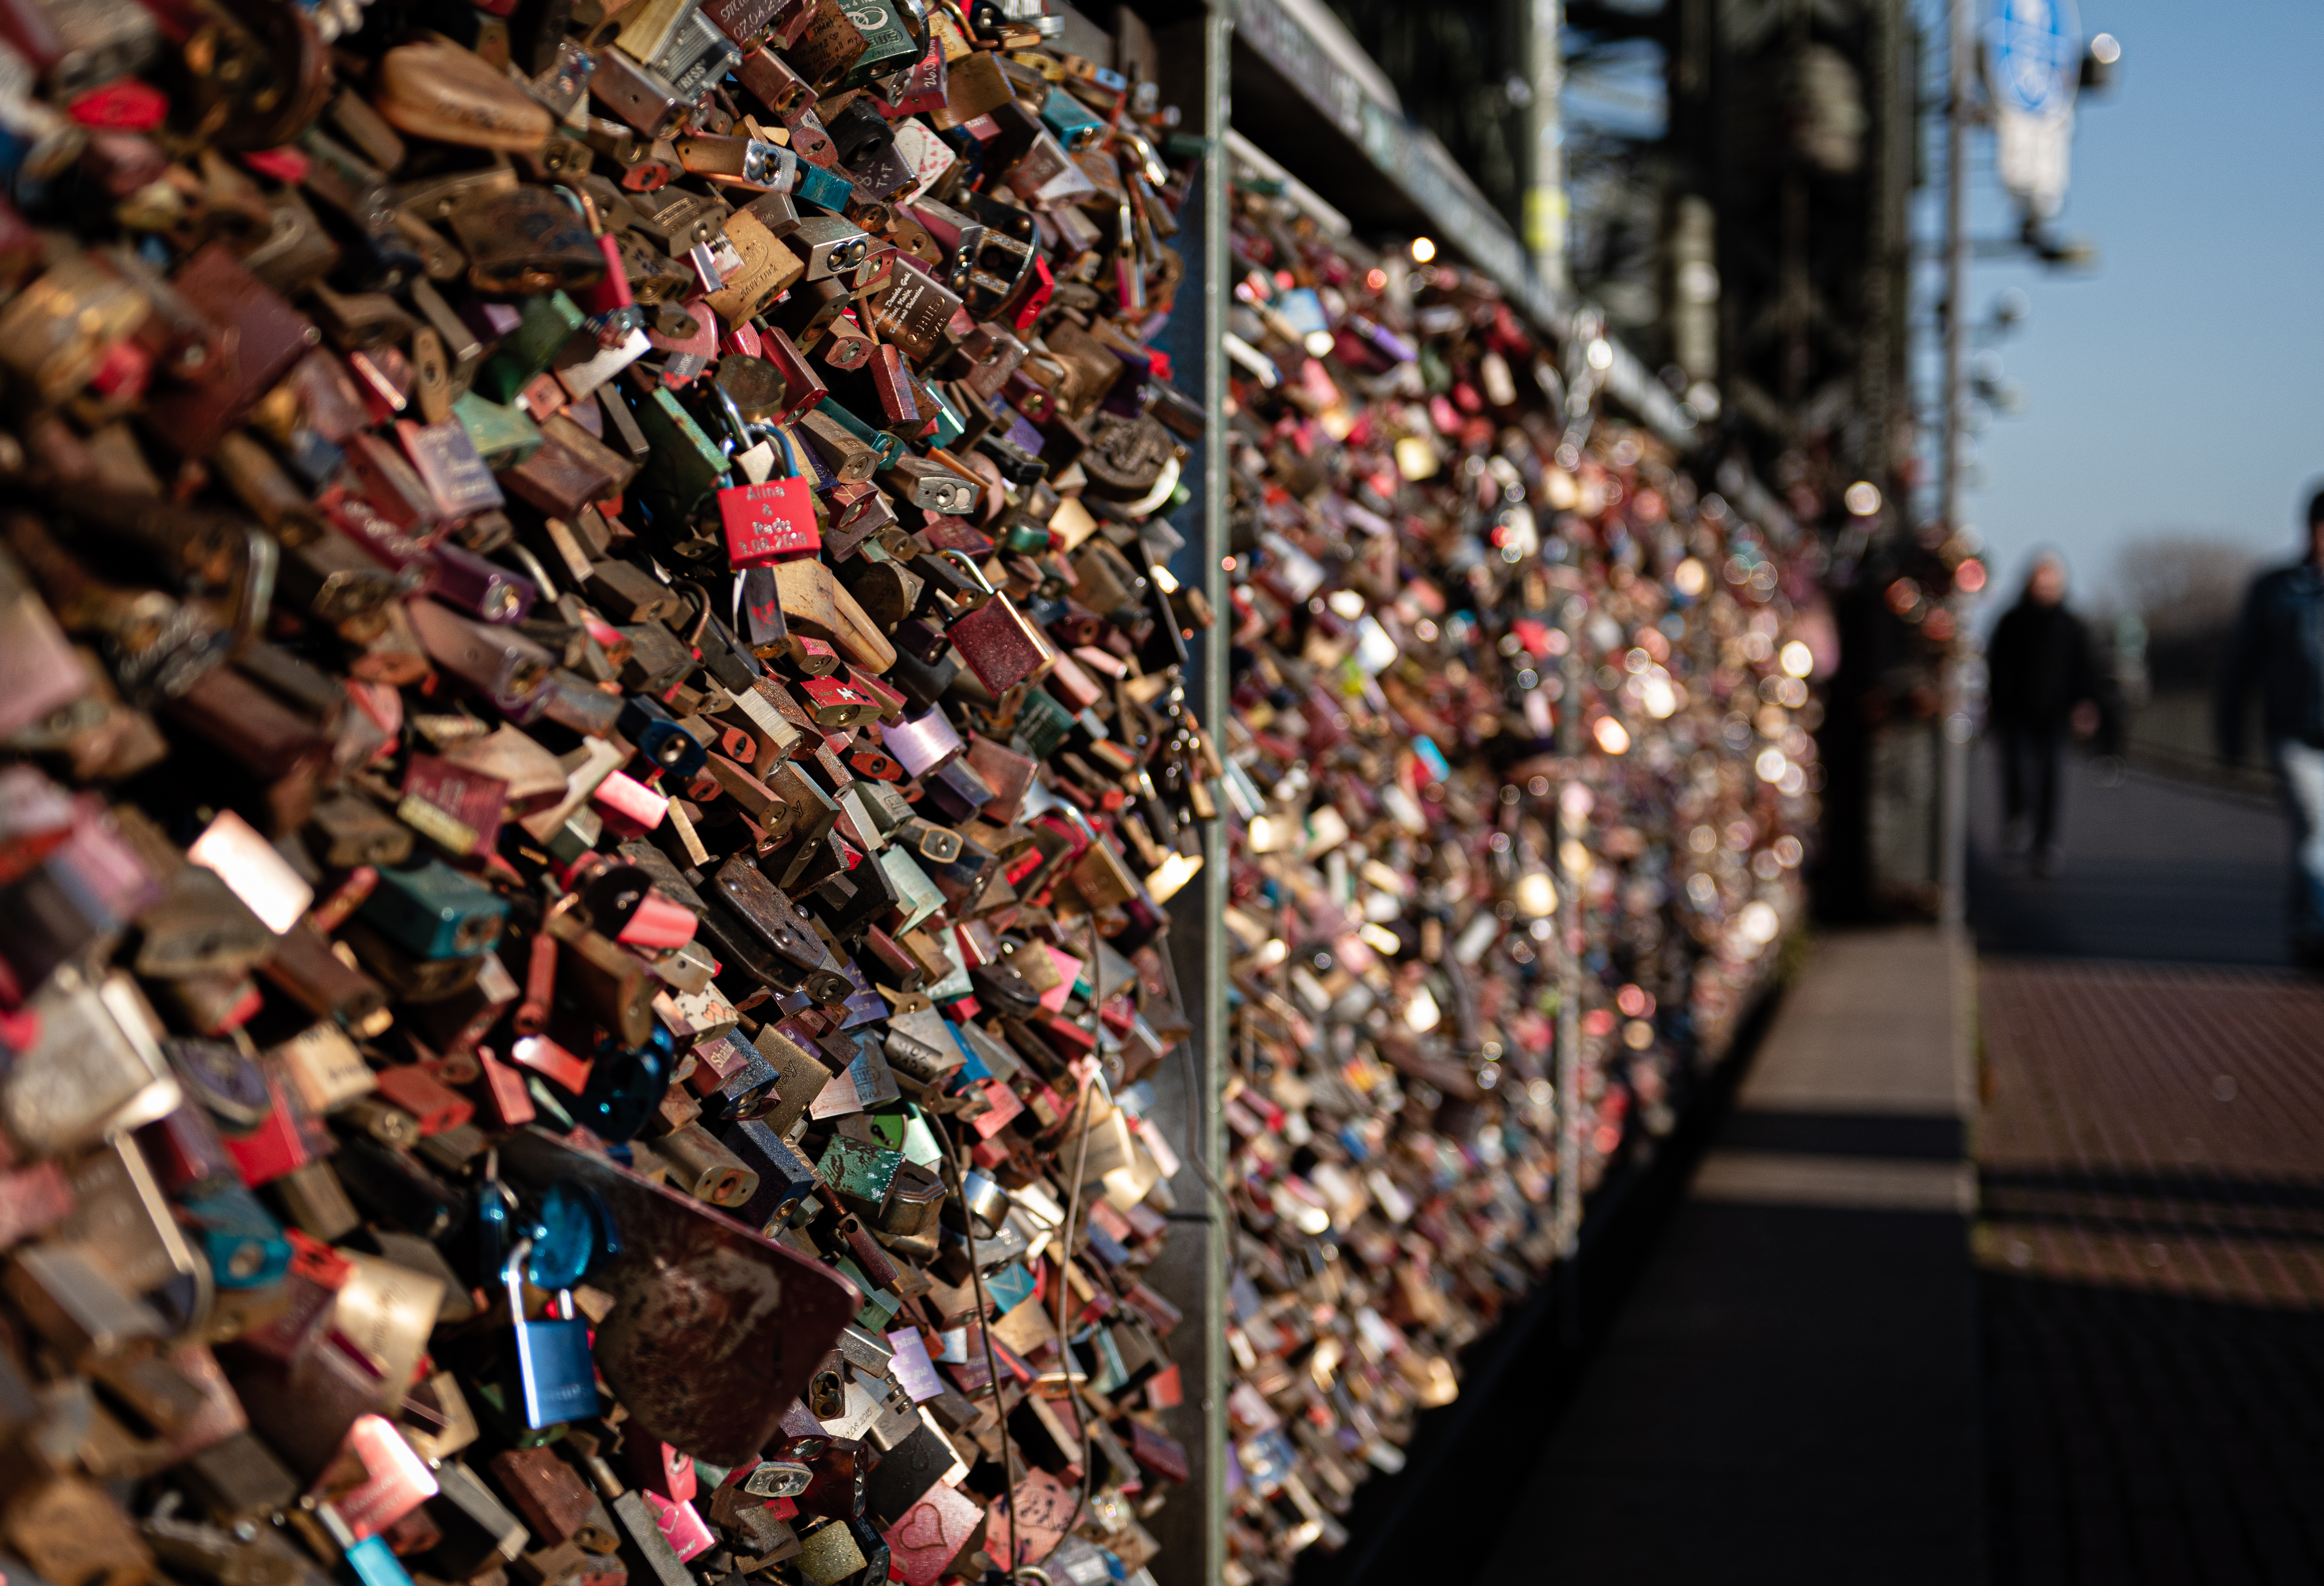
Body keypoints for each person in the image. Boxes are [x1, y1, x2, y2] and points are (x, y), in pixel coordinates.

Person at [2216, 487, 2324, 964]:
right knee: (2315, 826)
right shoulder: (2275, 588)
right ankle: (2317, 925)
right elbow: (2239, 667)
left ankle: (2305, 921)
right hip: (2294, 730)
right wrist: (2230, 736)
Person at [1986, 551, 2110, 876]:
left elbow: (2087, 671)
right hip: (2016, 711)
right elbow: (1997, 668)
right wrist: (1994, 705)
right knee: (2017, 770)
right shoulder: (2011, 622)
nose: (2046, 588)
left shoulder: (2072, 626)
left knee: (2052, 776)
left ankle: (2046, 840)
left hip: (2056, 713)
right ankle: (2017, 820)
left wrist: (2086, 704)